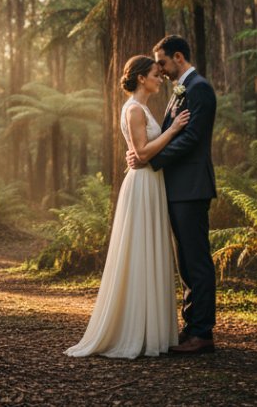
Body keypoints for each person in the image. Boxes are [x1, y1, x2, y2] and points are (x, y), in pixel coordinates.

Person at [65, 54, 189, 358]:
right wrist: (172, 131)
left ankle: (151, 329)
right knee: (139, 251)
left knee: (149, 249)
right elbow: (143, 153)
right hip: (143, 183)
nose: (160, 79)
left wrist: (144, 151)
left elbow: (139, 152)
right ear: (141, 79)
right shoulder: (134, 109)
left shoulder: (141, 108)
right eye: (155, 75)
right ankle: (134, 330)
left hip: (150, 183)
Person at [128, 34, 218, 355]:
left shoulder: (200, 89)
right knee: (185, 262)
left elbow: (191, 138)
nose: (161, 70)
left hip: (192, 188)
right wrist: (148, 156)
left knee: (196, 259)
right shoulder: (181, 90)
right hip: (177, 188)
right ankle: (191, 325)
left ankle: (202, 332)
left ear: (178, 57)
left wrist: (150, 159)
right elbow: (170, 134)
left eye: (163, 63)